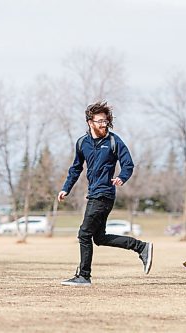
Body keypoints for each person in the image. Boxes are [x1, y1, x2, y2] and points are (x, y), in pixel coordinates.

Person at [58, 101, 153, 286]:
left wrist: (122, 177)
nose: (104, 124)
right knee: (99, 238)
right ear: (90, 122)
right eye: (100, 121)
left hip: (104, 193)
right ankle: (141, 247)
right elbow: (75, 168)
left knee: (84, 234)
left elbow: (128, 164)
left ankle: (84, 276)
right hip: (93, 193)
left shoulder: (113, 141)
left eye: (106, 121)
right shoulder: (82, 143)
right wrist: (65, 188)